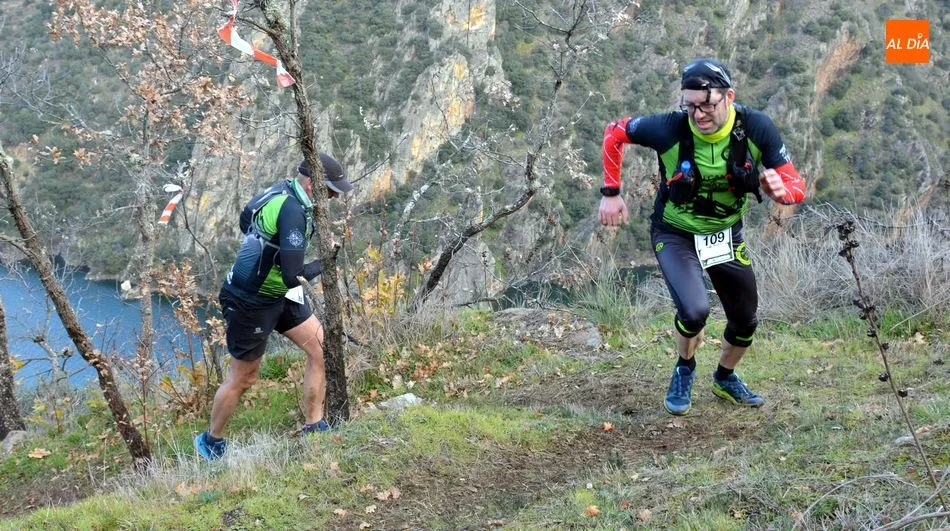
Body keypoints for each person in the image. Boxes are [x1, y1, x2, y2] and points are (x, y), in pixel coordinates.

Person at [598, 58, 805, 416]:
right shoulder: (670, 128)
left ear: (729, 97)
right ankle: (684, 368)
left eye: (706, 105)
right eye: (690, 105)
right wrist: (611, 192)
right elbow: (614, 132)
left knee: (745, 319)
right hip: (674, 233)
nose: (698, 115)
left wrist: (781, 192)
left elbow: (795, 185)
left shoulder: (755, 127)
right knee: (694, 312)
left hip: (725, 235)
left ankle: (725, 377)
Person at [195, 152, 354, 460]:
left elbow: (246, 219)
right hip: (250, 300)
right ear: (311, 184)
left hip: (279, 293)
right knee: (244, 376)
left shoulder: (281, 189)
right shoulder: (292, 210)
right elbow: (295, 276)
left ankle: (314, 427)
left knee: (322, 349)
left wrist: (269, 249)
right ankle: (210, 443)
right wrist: (326, 261)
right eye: (331, 190)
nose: (334, 197)